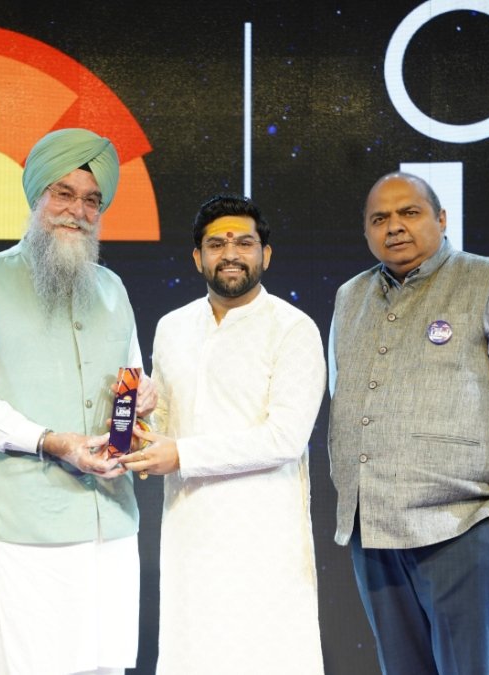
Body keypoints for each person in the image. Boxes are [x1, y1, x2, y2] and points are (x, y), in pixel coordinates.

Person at [328, 172, 489, 675]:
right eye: (380, 218)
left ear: (441, 219)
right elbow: (343, 397)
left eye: (409, 212)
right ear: (366, 232)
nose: (394, 226)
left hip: (461, 527)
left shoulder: (488, 280)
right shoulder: (350, 297)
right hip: (374, 533)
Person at [0, 128, 153, 675]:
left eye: (91, 200)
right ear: (37, 196)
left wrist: (140, 403)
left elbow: (130, 382)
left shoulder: (113, 288)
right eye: (63, 193)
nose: (77, 211)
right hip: (20, 531)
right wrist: (51, 442)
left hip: (110, 526)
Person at [120, 195, 326, 674]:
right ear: (198, 257)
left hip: (263, 541)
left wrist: (180, 455)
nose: (230, 254)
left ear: (265, 254)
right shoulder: (172, 327)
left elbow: (285, 438)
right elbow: (165, 425)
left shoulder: (293, 329)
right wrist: (136, 424)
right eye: (216, 244)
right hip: (189, 536)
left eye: (244, 243)